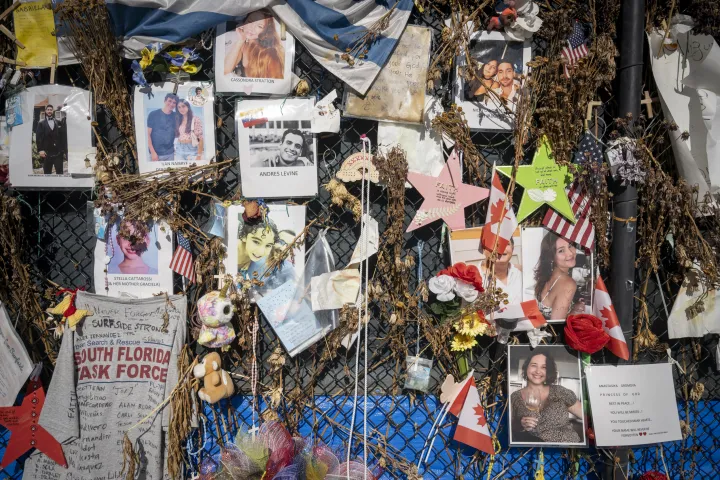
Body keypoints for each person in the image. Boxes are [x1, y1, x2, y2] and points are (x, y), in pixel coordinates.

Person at [510, 349, 583, 444]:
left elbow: (585, 417)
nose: (538, 371)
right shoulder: (515, 397)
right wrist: (520, 424)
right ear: (526, 367)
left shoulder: (560, 392)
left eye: (544, 367)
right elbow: (510, 426)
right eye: (534, 365)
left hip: (568, 448)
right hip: (533, 450)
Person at [534, 232, 585, 321]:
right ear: (552, 257)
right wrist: (574, 313)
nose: (570, 253)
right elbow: (557, 324)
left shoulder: (548, 275)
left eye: (570, 246)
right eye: (561, 250)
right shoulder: (568, 283)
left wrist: (573, 308)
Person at [224, 11, 284, 79]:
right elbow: (225, 70)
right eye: (250, 22)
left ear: (265, 31)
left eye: (259, 26)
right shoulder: (244, 44)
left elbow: (276, 80)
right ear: (244, 22)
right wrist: (240, 40)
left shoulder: (268, 52)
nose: (252, 28)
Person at [480, 237, 522, 304]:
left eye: (506, 244)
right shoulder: (474, 279)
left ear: (512, 248)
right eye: (494, 244)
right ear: (484, 250)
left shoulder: (521, 274)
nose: (501, 249)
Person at [35, 104, 67, 174]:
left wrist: (63, 150)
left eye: (51, 110)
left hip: (58, 153)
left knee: (60, 173)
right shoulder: (41, 124)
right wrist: (40, 150)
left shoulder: (58, 122)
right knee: (47, 173)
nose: (49, 111)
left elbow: (62, 136)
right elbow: (38, 138)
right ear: (46, 111)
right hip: (47, 153)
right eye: (48, 110)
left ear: (53, 111)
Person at [147, 93, 179, 161]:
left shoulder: (176, 116)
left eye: (174, 102)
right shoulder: (153, 114)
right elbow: (148, 134)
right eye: (169, 101)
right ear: (165, 101)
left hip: (170, 154)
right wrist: (153, 153)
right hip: (155, 154)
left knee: (171, 172)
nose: (171, 104)